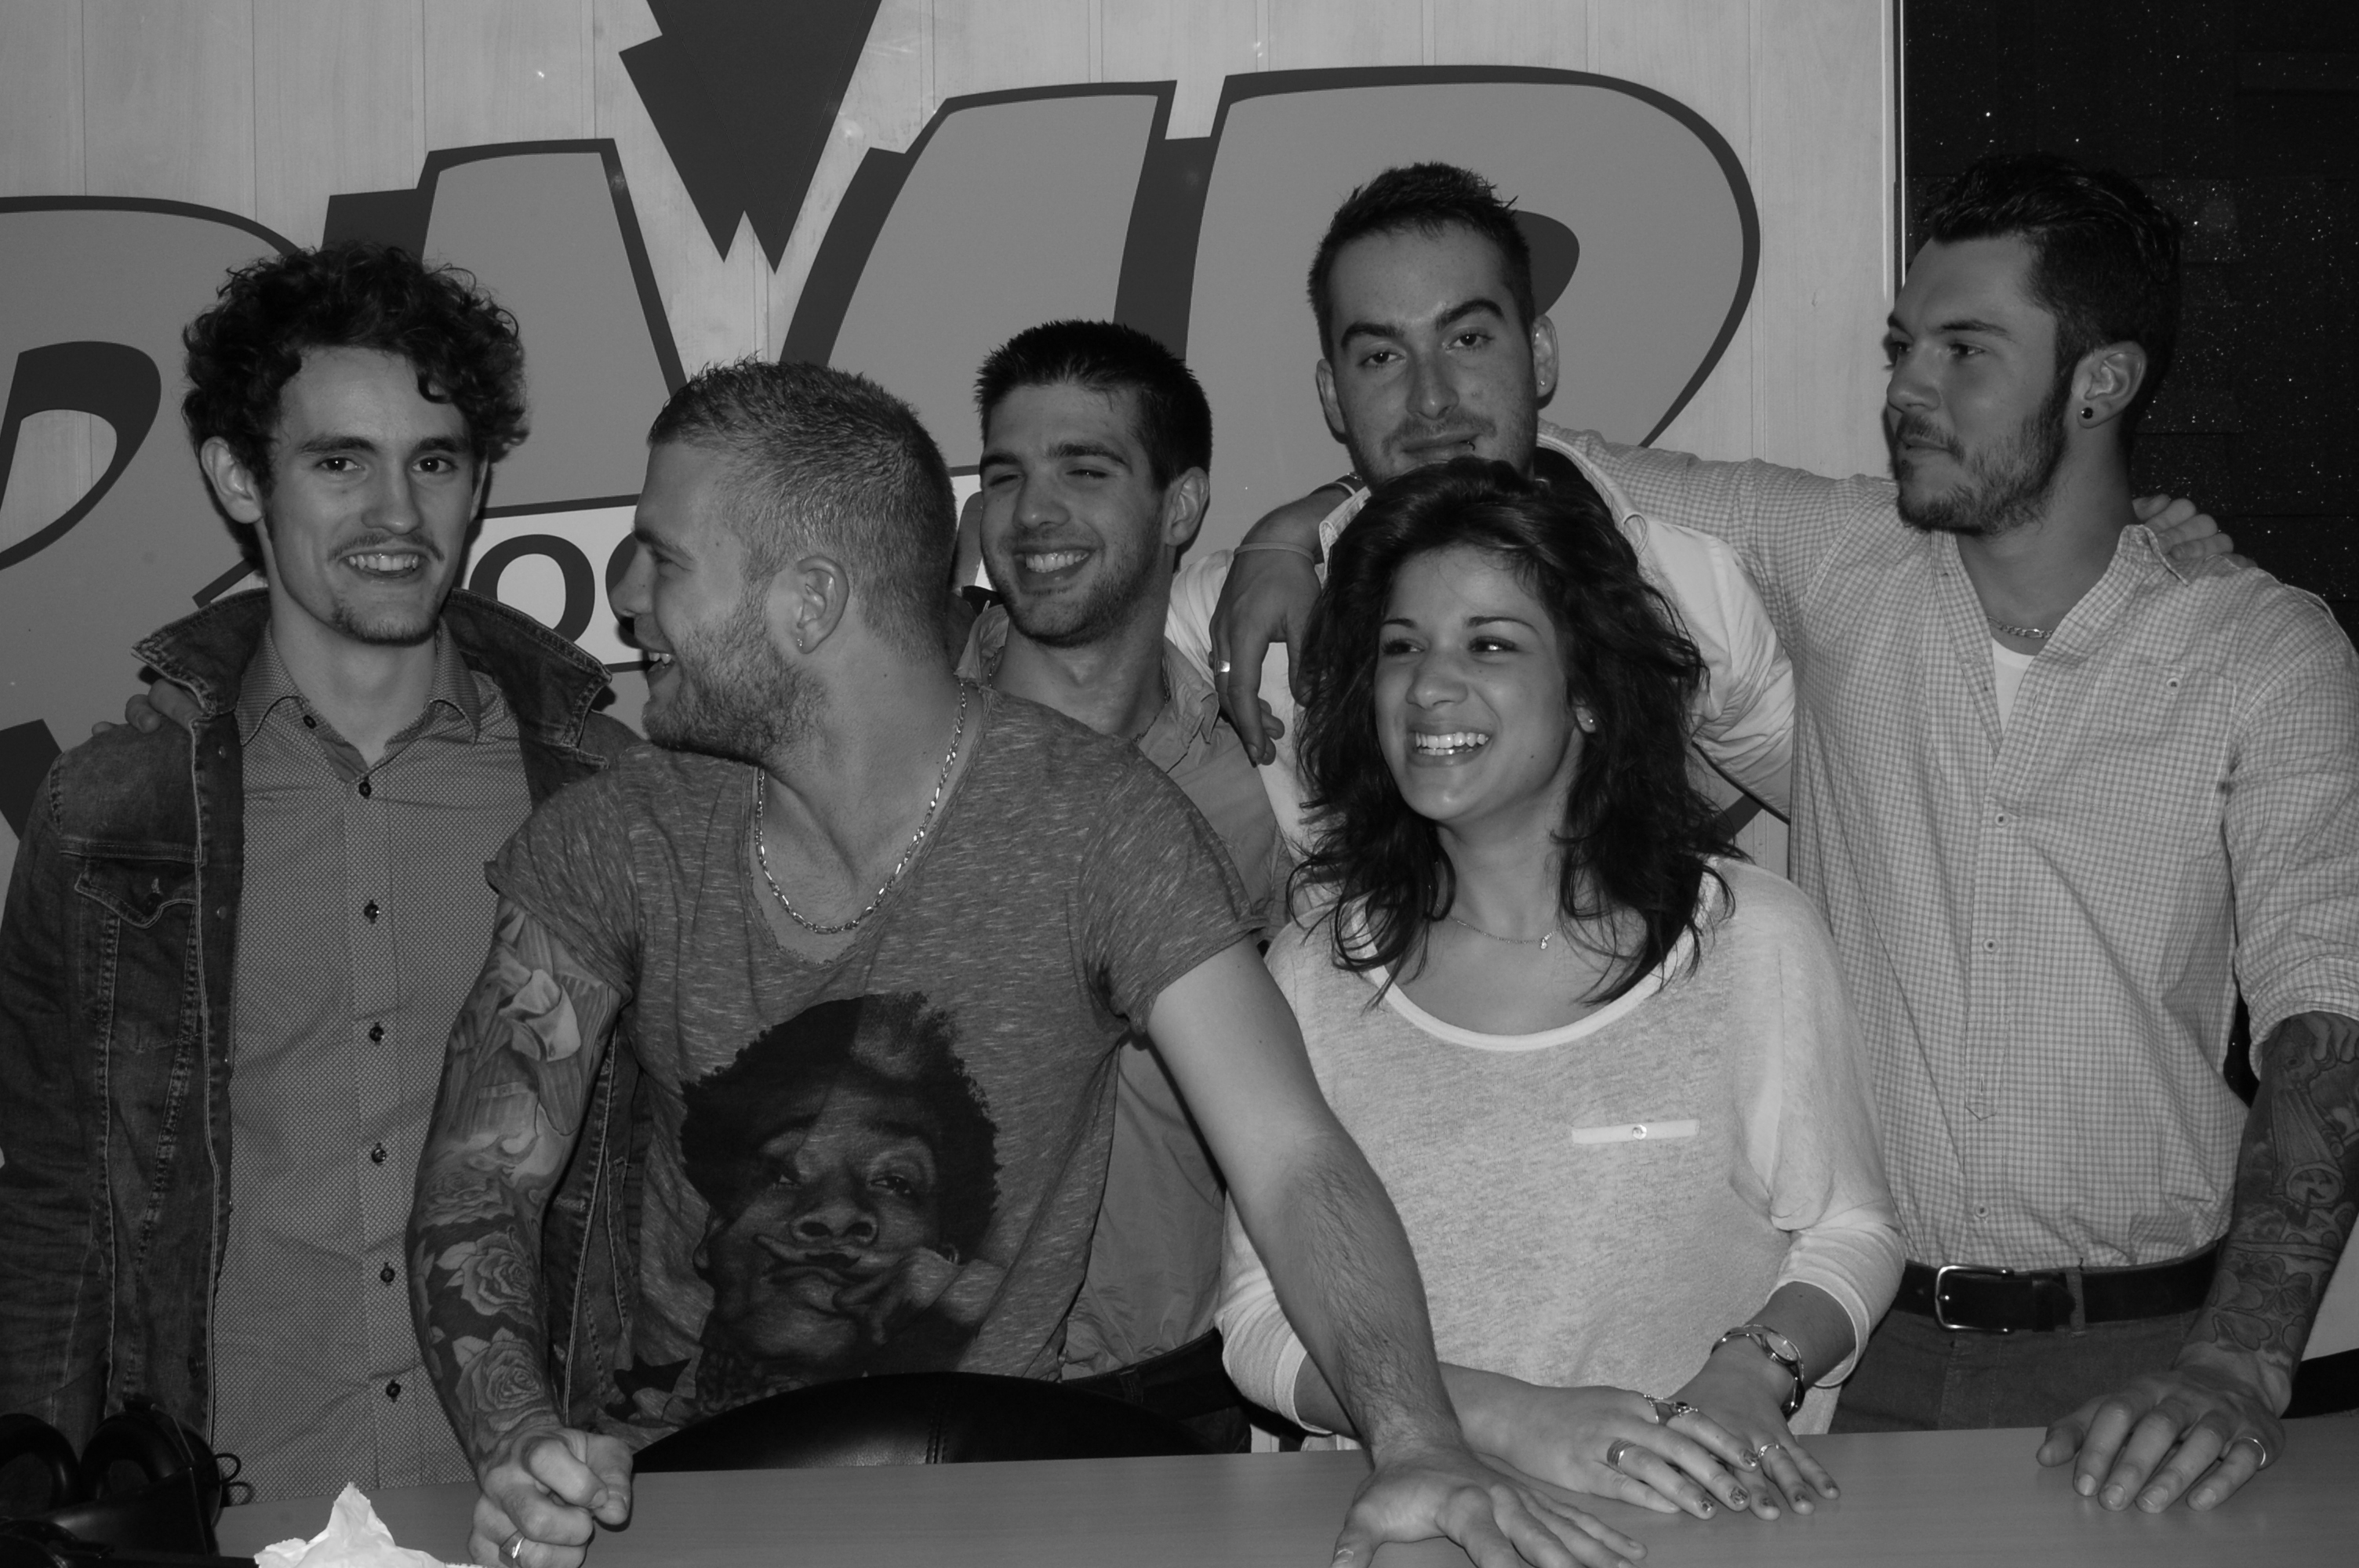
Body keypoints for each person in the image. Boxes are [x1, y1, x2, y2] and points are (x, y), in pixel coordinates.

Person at [1218, 154, 2359, 1512]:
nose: (1905, 390)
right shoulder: (1840, 555)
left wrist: (2237, 1362)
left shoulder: (2261, 654)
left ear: (2101, 381)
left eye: (1963, 352)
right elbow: (1503, 464)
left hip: (2150, 1353)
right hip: (1862, 1356)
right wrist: (1286, 535)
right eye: (1900, 347)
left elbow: (2326, 1016)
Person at [406, 359, 1645, 1568]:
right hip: (670, 1511)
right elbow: (479, 1184)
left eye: (664, 558)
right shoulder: (617, 834)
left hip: (996, 1500)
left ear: (810, 602)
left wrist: (1417, 1441)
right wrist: (517, 1439)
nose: (626, 596)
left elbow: (1291, 1157)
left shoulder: (1102, 826)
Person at [0, 242, 635, 1501]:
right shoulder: (116, 814)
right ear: (239, 478)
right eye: (340, 462)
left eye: (434, 462)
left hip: (534, 1513)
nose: (397, 514)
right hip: (227, 1513)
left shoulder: (599, 797)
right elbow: (53, 1215)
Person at [1216, 458, 1902, 1525]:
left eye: (1490, 644)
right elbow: (1260, 1320)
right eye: (1401, 648)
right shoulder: (1312, 970)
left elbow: (1849, 1229)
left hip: (1681, 1522)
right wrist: (1502, 1418)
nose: (1429, 686)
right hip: (1409, 1527)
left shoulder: (1747, 936)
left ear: (1587, 690)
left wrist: (1753, 1369)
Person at [1194, 163, 2234, 827]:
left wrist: (2106, 554)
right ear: (1331, 394)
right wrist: (1287, 539)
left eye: (1467, 339)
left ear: (1540, 355)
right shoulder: (1234, 620)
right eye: (1381, 357)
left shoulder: (1681, 578)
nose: (1430, 398)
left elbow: (1861, 828)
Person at [963, 320, 1282, 1423]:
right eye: (1006, 476)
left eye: (1085, 471)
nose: (1032, 514)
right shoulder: (898, 751)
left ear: (1181, 507)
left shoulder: (1258, 787)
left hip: (1183, 1389)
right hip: (924, 1392)